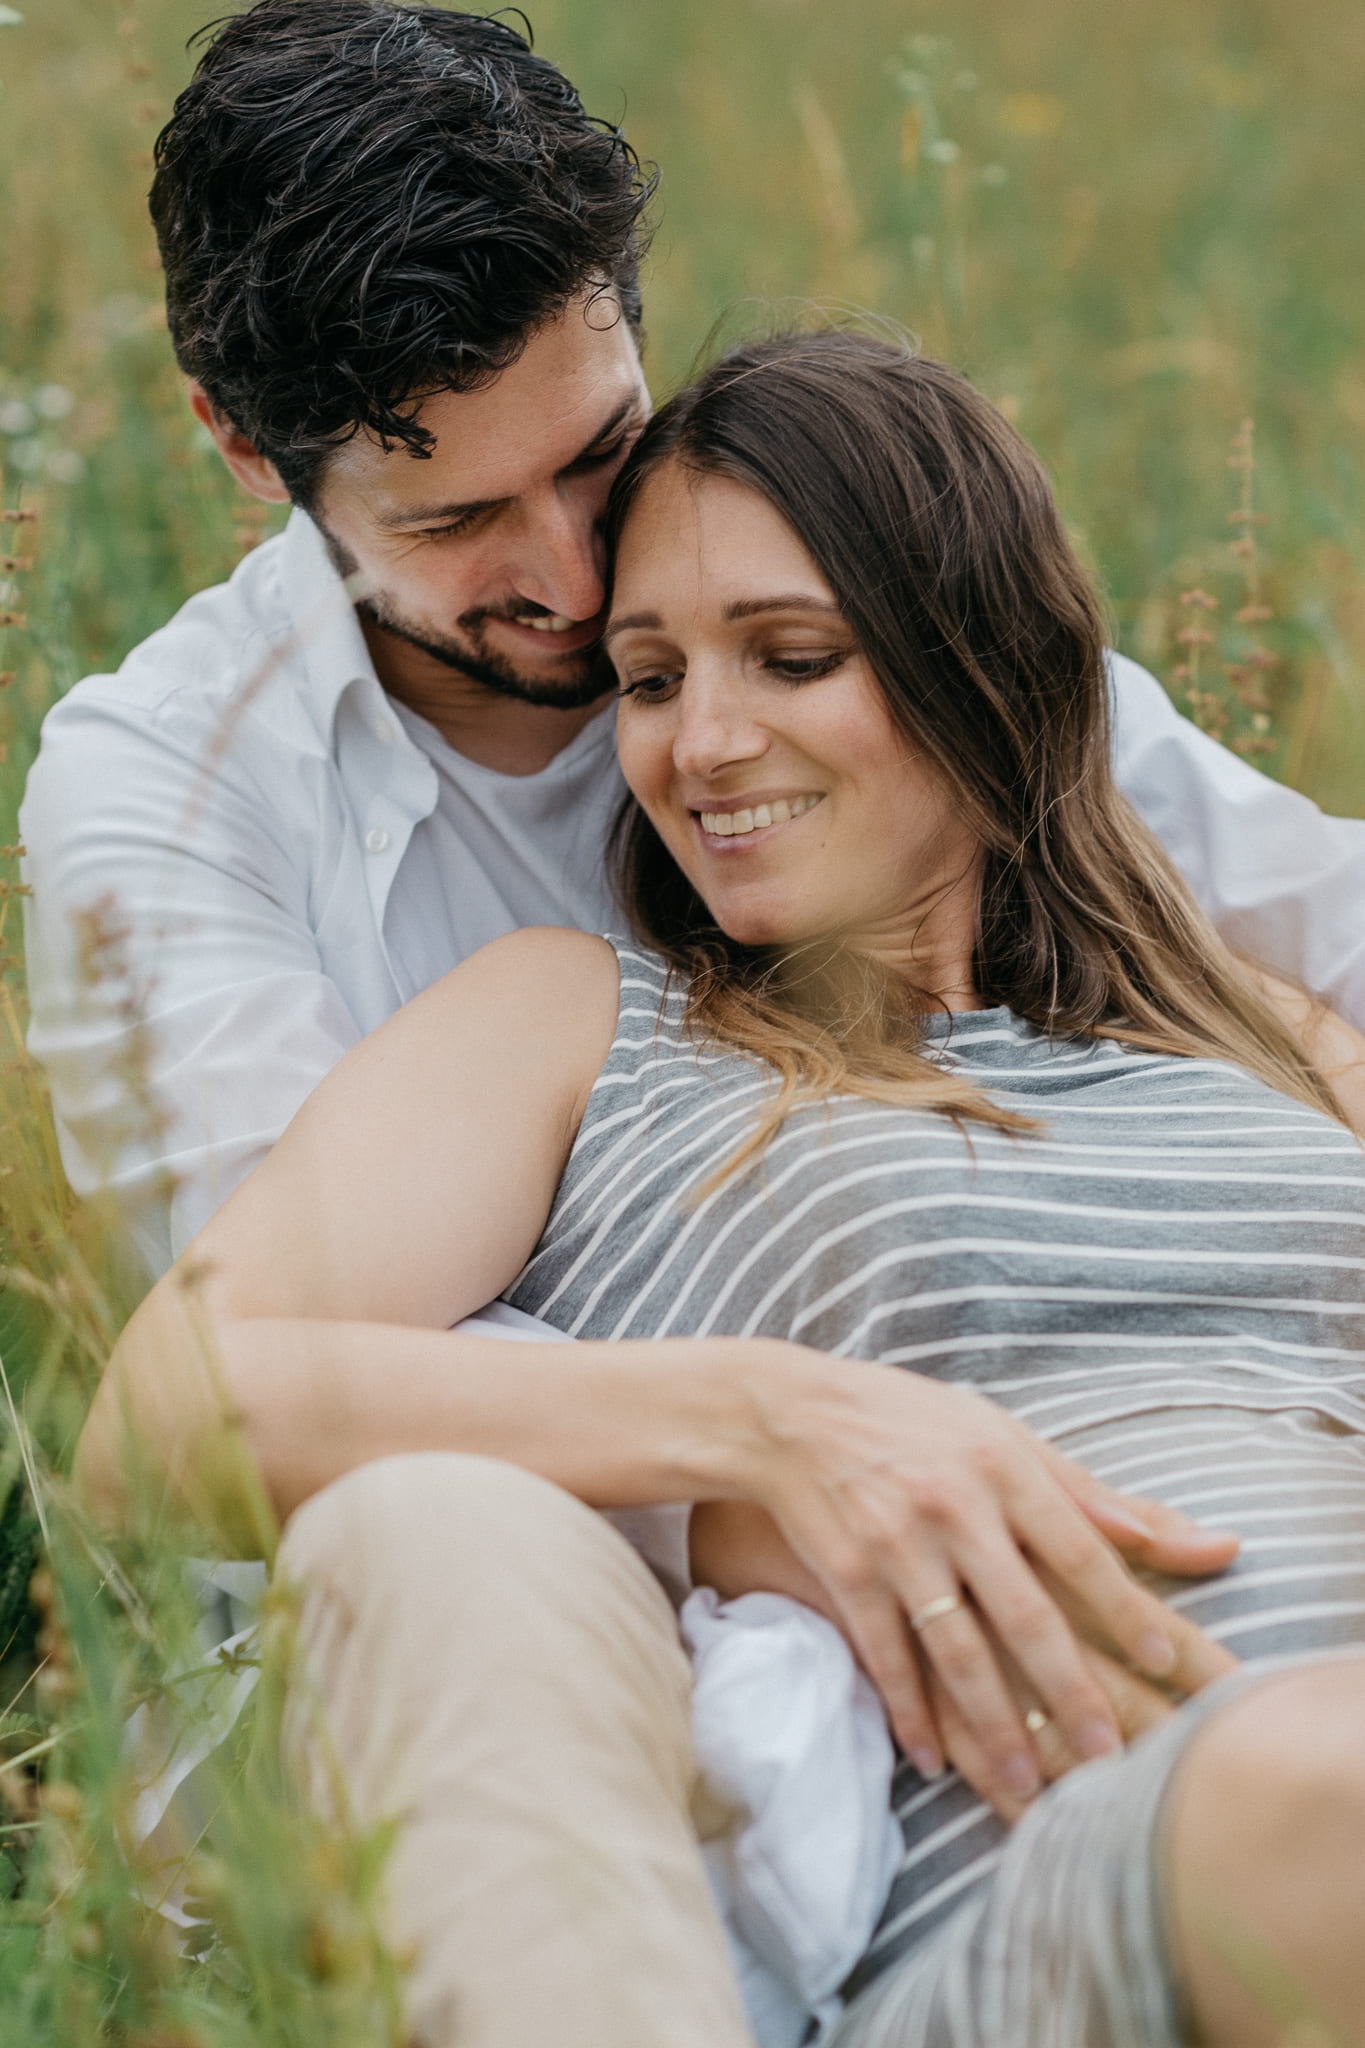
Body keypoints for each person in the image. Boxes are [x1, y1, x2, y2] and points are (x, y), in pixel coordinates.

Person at [77, 333, 1365, 2048]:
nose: (703, 743)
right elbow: (168, 1411)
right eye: (650, 677)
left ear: (977, 659)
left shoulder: (1246, 1018)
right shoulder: (574, 1019)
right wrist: (767, 1419)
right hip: (1087, 1883)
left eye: (789, 657)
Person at [20, 0, 1365, 1287]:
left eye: (598, 452)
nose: (573, 570)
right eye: (458, 520)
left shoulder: (836, 605)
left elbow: (1323, 919)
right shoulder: (170, 787)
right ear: (244, 449)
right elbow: (276, 1339)